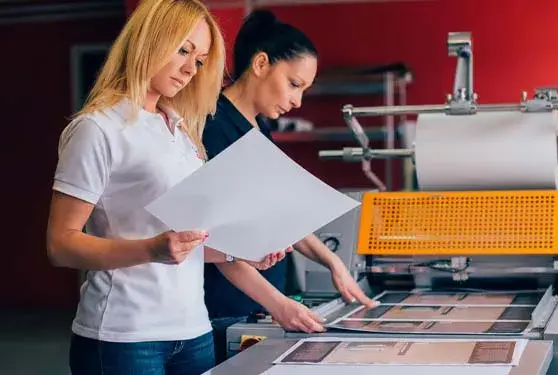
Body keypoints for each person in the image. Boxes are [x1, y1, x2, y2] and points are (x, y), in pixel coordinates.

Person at [45, 1, 290, 374]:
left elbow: (182, 244)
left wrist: (237, 252)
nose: (192, 68)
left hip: (194, 331)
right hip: (124, 336)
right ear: (149, 40)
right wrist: (150, 249)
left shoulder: (179, 129)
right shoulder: (97, 129)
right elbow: (61, 245)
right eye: (183, 50)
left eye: (201, 59)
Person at [202, 9, 378, 364]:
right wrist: (278, 305)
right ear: (262, 63)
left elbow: (281, 214)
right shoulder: (213, 126)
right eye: (294, 84)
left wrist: (333, 263)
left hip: (263, 306)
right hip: (225, 309)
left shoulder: (261, 131)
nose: (298, 101)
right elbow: (215, 239)